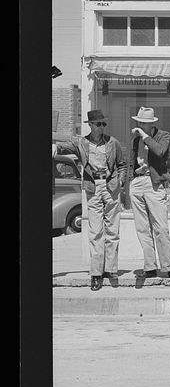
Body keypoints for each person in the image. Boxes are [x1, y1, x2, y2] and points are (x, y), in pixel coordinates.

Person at [52, 110, 128, 291]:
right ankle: (96, 273)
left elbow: (123, 165)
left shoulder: (112, 142)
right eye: (99, 124)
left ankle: (111, 270)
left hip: (111, 187)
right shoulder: (82, 142)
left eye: (104, 124)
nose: (102, 127)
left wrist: (120, 183)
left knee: (113, 231)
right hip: (93, 187)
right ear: (91, 125)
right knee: (95, 232)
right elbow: (64, 146)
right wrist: (55, 147)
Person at [126, 107, 170, 288]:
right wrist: (133, 174)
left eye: (143, 123)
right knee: (142, 228)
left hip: (154, 184)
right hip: (138, 182)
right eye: (139, 122)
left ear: (151, 124)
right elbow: (131, 161)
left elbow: (160, 151)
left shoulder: (162, 136)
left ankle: (169, 266)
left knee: (161, 227)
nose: (140, 125)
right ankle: (150, 266)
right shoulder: (136, 140)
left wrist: (144, 135)